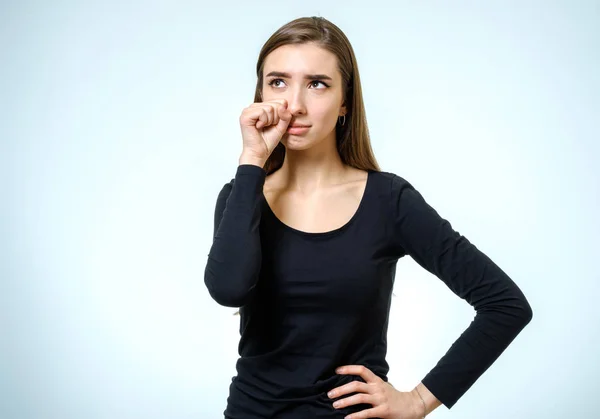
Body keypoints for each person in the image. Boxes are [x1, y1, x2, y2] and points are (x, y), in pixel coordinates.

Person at [204, 16, 533, 419]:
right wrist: (252, 160)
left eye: (317, 84)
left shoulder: (388, 200)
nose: (294, 104)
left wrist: (417, 400)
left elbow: (505, 304)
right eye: (278, 82)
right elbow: (228, 290)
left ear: (345, 101)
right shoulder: (242, 195)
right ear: (260, 94)